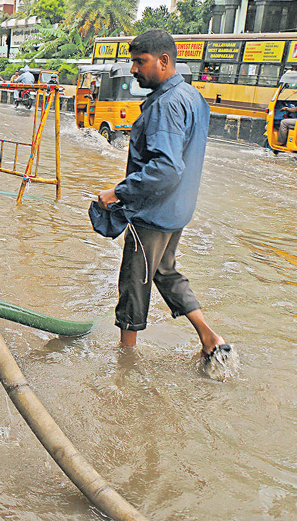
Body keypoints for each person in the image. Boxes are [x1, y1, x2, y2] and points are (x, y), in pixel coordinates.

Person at [95, 29, 229, 362]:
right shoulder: (191, 96)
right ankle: (210, 338)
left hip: (153, 212)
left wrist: (118, 192)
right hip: (178, 208)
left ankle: (125, 360)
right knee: (164, 271)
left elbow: (166, 168)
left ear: (164, 61)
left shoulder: (166, 106)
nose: (134, 70)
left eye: (140, 62)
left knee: (134, 281)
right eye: (133, 62)